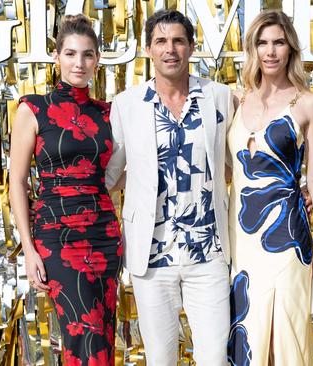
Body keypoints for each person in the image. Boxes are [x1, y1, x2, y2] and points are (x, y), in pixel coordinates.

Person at [105, 9, 233, 366]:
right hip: (152, 254)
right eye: (161, 41)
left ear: (191, 47)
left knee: (213, 357)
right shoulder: (127, 104)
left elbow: (236, 164)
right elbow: (112, 175)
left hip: (208, 252)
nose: (170, 49)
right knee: (160, 358)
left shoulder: (220, 97)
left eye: (178, 40)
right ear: (148, 49)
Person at [9, 14, 121, 365]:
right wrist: (28, 249)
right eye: (71, 54)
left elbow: (118, 174)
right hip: (57, 238)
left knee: (102, 333)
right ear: (56, 57)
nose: (79, 63)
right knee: (82, 335)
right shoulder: (33, 109)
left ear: (97, 60)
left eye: (88, 55)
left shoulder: (109, 113)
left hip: (104, 235)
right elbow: (16, 182)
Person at [226, 10, 313, 366]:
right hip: (240, 241)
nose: (270, 51)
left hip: (287, 238)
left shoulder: (308, 103)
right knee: (249, 335)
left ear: (290, 49)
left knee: (285, 338)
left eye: (278, 42)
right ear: (252, 49)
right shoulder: (234, 101)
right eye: (262, 43)